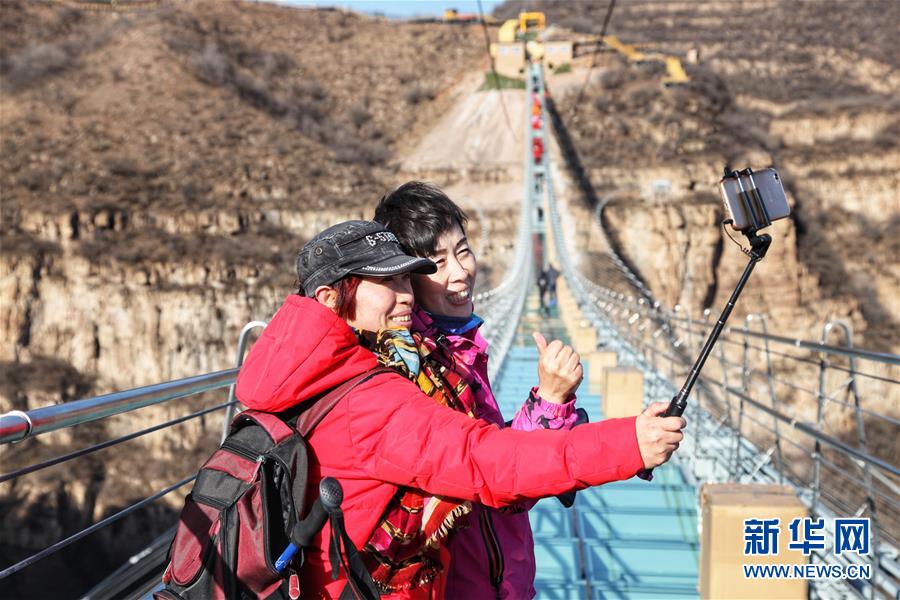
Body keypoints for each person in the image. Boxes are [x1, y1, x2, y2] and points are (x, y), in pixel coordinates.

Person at [235, 220, 685, 599]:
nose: (407, 293)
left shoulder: (306, 371)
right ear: (331, 299)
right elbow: (487, 462)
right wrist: (629, 443)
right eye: (386, 281)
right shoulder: (369, 401)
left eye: (406, 277)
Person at [375, 182, 580, 598]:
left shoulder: (460, 349)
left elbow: (492, 454)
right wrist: (550, 402)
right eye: (437, 262)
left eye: (462, 251)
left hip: (502, 579)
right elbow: (498, 479)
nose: (460, 270)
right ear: (408, 280)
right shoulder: (420, 371)